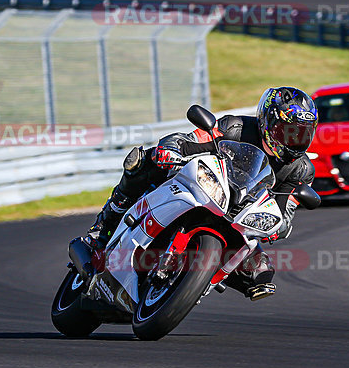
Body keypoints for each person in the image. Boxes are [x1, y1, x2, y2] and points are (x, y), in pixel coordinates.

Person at [75, 87, 318, 301]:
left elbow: (285, 213)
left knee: (261, 271)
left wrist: (277, 226)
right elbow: (189, 141)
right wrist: (171, 149)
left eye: (302, 134)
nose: (294, 140)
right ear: (268, 121)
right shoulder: (235, 127)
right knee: (141, 163)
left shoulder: (301, 170)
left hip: (240, 217)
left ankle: (196, 282)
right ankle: (101, 231)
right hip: (207, 187)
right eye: (288, 131)